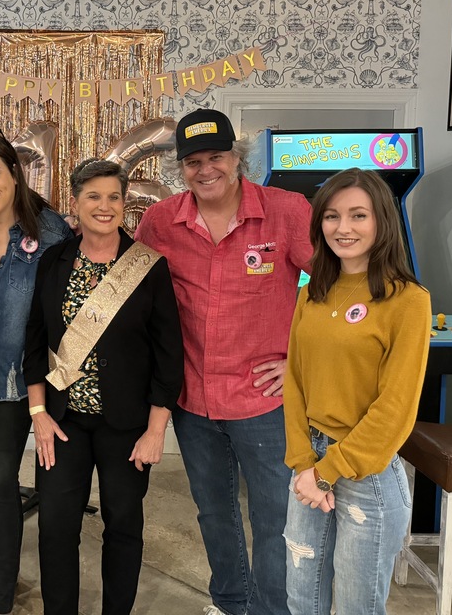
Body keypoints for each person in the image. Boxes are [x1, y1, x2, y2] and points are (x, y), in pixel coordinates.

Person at [135, 108, 312, 615]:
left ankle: (272, 610)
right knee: (214, 514)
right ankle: (231, 602)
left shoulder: (286, 211)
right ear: (181, 168)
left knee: (276, 518)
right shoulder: (160, 221)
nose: (205, 169)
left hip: (265, 401)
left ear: (238, 158)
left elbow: (333, 289)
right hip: (193, 400)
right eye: (193, 161)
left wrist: (298, 360)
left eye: (217, 156)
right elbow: (138, 299)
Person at [23, 159, 184, 615]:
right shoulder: (53, 262)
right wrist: (39, 415)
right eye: (93, 196)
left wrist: (156, 431)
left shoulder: (148, 267)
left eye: (114, 197)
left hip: (127, 426)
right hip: (62, 422)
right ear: (74, 204)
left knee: (124, 524)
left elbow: (169, 357)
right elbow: (34, 343)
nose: (105, 206)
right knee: (55, 527)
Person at [283, 167, 431, 615]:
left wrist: (330, 469)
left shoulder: (408, 301)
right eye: (331, 216)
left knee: (354, 606)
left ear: (382, 221)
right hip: (310, 463)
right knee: (300, 598)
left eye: (358, 215)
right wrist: (303, 463)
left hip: (367, 473)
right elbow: (294, 380)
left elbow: (396, 408)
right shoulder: (312, 291)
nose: (342, 228)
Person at [0, 130, 72, 615]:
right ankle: (6, 566)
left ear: (14, 173)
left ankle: (1, 591)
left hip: (20, 381)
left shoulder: (52, 234)